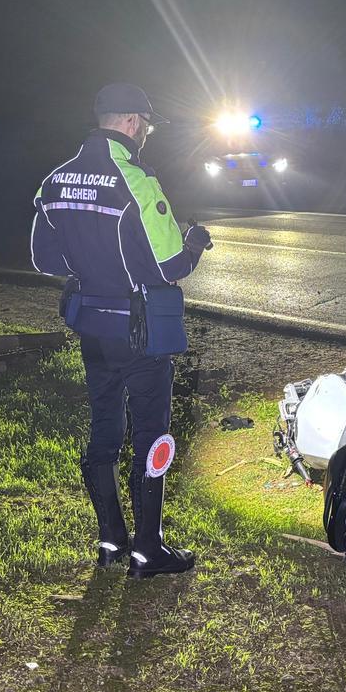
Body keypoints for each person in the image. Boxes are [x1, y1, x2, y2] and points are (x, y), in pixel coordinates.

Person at [30, 83, 212, 578]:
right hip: (140, 331)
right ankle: (147, 551)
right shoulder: (136, 180)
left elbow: (44, 258)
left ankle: (111, 540)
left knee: (104, 430)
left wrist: (94, 269)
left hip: (92, 327)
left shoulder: (56, 180)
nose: (147, 134)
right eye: (146, 125)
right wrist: (195, 243)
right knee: (153, 438)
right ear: (131, 122)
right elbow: (171, 263)